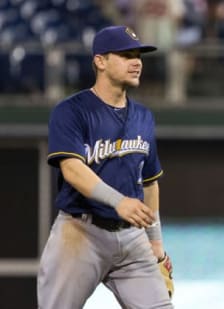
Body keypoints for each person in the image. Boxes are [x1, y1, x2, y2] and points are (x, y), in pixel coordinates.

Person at [37, 25, 173, 309]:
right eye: (126, 55)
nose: (136, 62)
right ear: (100, 60)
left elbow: (150, 182)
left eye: (139, 55)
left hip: (132, 238)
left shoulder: (144, 117)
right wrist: (118, 201)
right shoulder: (72, 110)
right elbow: (72, 169)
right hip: (81, 231)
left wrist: (156, 243)